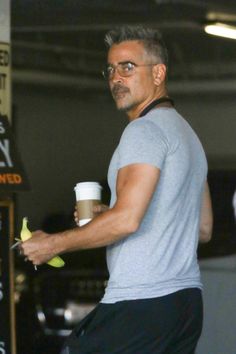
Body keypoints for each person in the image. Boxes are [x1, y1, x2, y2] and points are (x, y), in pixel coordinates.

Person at [21, 25, 213, 354]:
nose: (115, 79)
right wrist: (112, 213)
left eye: (127, 67)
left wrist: (53, 244)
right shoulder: (187, 134)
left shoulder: (144, 131)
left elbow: (127, 222)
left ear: (158, 73)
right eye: (110, 69)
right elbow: (203, 227)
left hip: (141, 301)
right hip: (184, 305)